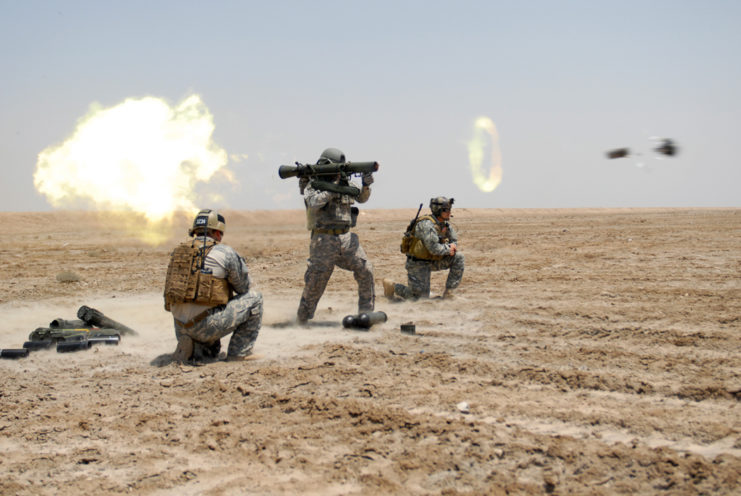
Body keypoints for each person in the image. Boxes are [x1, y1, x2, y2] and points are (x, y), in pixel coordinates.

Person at [164, 209, 263, 362]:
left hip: (180, 326)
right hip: (205, 325)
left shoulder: (177, 252)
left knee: (211, 352)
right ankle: (240, 353)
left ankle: (192, 345)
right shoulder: (224, 252)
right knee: (255, 299)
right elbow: (243, 288)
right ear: (217, 233)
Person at [296, 147, 375, 324]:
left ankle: (366, 314)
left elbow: (361, 198)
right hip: (323, 239)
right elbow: (313, 203)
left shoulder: (345, 183)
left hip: (347, 238)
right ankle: (302, 318)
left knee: (366, 270)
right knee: (316, 280)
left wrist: (366, 185)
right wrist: (334, 189)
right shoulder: (313, 184)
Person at [383, 196, 464, 300]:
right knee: (419, 299)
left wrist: (453, 247)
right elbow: (434, 248)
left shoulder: (445, 225)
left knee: (459, 258)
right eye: (445, 210)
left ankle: (449, 293)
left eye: (449, 209)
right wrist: (449, 248)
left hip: (433, 260)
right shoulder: (426, 225)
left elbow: (454, 240)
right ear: (438, 210)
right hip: (418, 264)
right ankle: (393, 287)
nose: (449, 212)